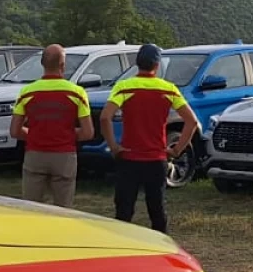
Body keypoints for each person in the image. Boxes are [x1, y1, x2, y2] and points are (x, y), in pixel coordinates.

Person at [101, 44, 199, 234]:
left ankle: (122, 250)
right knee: (157, 210)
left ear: (137, 63)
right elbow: (192, 121)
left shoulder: (124, 87)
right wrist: (177, 149)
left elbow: (105, 117)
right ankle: (161, 250)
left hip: (129, 158)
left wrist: (114, 146)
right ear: (157, 64)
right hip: (156, 158)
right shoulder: (168, 89)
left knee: (124, 211)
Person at [10, 44, 94, 207]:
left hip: (35, 154)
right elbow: (88, 132)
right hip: (64, 156)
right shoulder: (77, 93)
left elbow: (15, 130)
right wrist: (66, 134)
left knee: (31, 207)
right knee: (64, 208)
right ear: (63, 65)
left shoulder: (27, 92)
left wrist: (36, 134)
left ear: (42, 64)